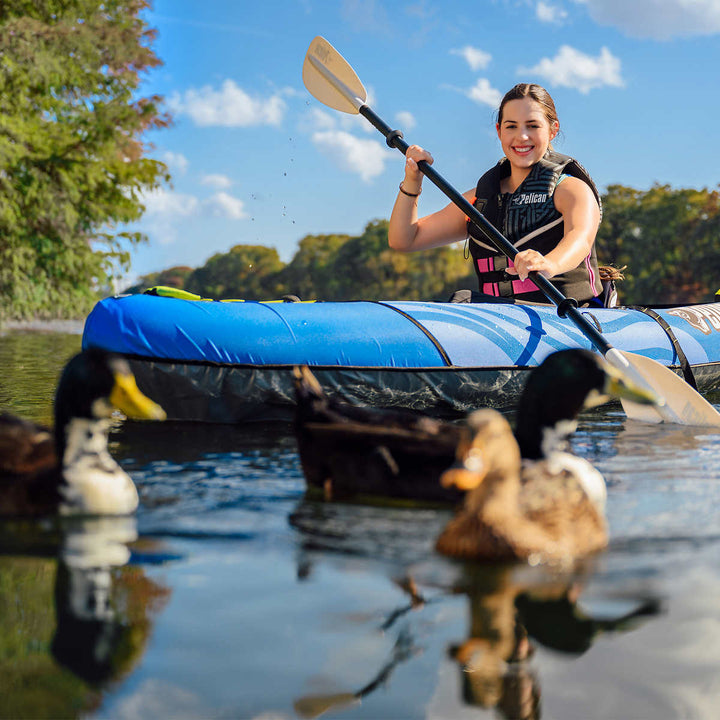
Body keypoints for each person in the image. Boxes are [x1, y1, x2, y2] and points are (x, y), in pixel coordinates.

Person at [388, 83, 604, 306]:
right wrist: (413, 180)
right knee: (462, 300)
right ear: (499, 131)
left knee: (463, 300)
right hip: (501, 320)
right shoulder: (479, 200)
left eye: (532, 126)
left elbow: (580, 239)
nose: (522, 136)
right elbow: (404, 239)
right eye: (511, 127)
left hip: (567, 314)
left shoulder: (570, 189)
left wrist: (550, 264)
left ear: (552, 130)